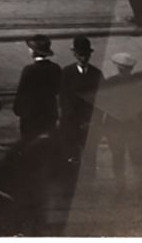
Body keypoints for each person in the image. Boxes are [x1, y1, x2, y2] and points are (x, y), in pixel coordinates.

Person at [58, 34, 103, 176]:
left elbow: (100, 102)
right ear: (75, 55)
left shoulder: (97, 74)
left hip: (90, 125)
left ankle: (89, 186)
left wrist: (91, 122)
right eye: (80, 55)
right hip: (71, 124)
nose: (83, 59)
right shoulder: (67, 73)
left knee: (90, 157)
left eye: (86, 55)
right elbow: (64, 100)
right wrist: (79, 121)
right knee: (71, 156)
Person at [102, 52, 142, 191]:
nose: (122, 70)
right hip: (127, 125)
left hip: (122, 126)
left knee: (125, 156)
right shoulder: (137, 83)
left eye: (124, 68)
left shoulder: (111, 82)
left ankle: (128, 185)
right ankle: (132, 185)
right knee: (127, 156)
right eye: (122, 67)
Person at [13, 33, 61, 141]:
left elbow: (22, 93)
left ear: (34, 51)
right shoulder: (55, 68)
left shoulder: (29, 70)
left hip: (31, 114)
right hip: (49, 113)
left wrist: (18, 110)